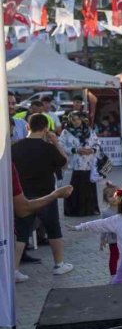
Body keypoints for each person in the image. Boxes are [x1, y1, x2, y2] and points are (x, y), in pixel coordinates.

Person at [11, 115, 74, 283]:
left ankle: (14, 270)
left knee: (22, 233)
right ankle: (59, 264)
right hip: (46, 195)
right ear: (46, 128)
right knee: (53, 229)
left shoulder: (15, 148)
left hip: (23, 196)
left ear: (27, 128)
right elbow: (64, 162)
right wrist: (55, 142)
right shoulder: (48, 147)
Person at [59, 111, 100, 217]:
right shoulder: (66, 132)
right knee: (74, 188)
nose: (76, 122)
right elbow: (60, 146)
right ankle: (74, 211)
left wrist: (92, 150)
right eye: (73, 120)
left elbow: (97, 144)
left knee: (88, 188)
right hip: (74, 166)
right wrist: (75, 150)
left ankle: (89, 210)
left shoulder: (90, 131)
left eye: (77, 119)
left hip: (88, 165)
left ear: (81, 119)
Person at [99, 183, 120, 278]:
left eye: (116, 195)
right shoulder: (105, 212)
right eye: (111, 196)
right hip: (113, 239)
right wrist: (102, 239)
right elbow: (103, 226)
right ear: (106, 199)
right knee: (114, 257)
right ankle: (113, 275)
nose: (114, 198)